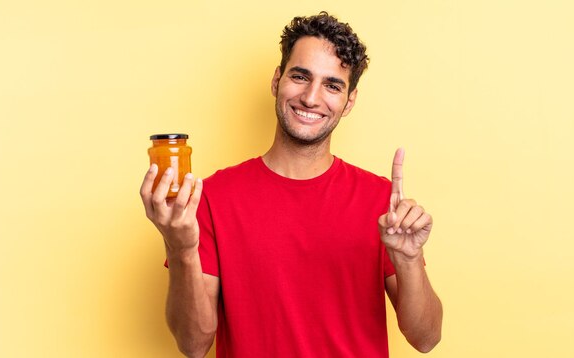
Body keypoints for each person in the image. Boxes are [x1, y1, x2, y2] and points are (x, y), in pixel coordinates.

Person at [140, 12, 442, 358]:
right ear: (276, 80)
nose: (312, 98)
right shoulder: (212, 197)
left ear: (349, 101)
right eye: (300, 77)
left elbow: (426, 337)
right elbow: (194, 345)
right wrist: (181, 250)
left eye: (332, 85)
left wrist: (408, 258)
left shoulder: (381, 202)